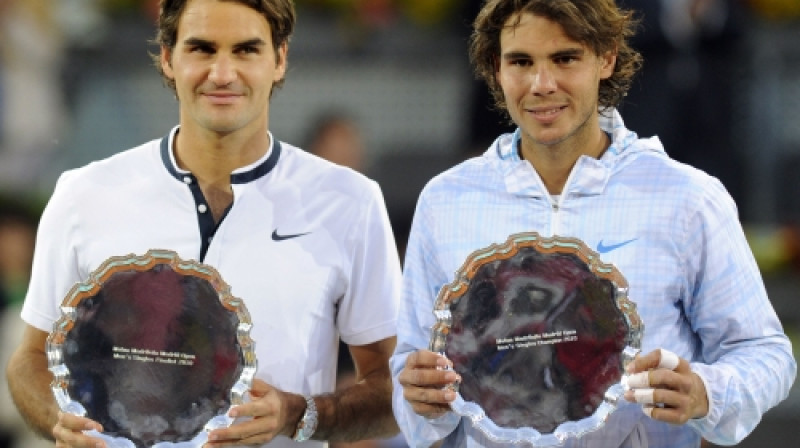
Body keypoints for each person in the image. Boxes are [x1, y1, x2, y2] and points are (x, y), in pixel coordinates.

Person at [390, 1, 796, 447]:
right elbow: (411, 366)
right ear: (495, 67)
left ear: (607, 58)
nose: (542, 84)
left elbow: (766, 354)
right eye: (521, 61)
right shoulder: (445, 201)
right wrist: (420, 395)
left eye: (565, 58)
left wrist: (706, 393)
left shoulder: (687, 198)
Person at [5, 1, 402, 447]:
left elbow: (392, 387)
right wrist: (59, 420)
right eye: (202, 49)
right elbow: (30, 359)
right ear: (169, 57)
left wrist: (299, 414)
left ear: (280, 59)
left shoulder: (351, 202)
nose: (222, 73)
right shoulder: (83, 193)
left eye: (246, 50)